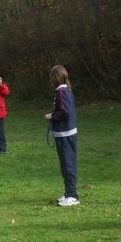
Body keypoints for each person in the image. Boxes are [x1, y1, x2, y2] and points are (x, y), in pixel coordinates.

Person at [44, 65, 79, 206]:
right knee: (65, 165)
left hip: (65, 134)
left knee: (68, 165)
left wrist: (51, 116)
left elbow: (65, 112)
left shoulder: (61, 92)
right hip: (64, 133)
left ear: (55, 78)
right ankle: (68, 193)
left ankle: (73, 196)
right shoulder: (65, 90)